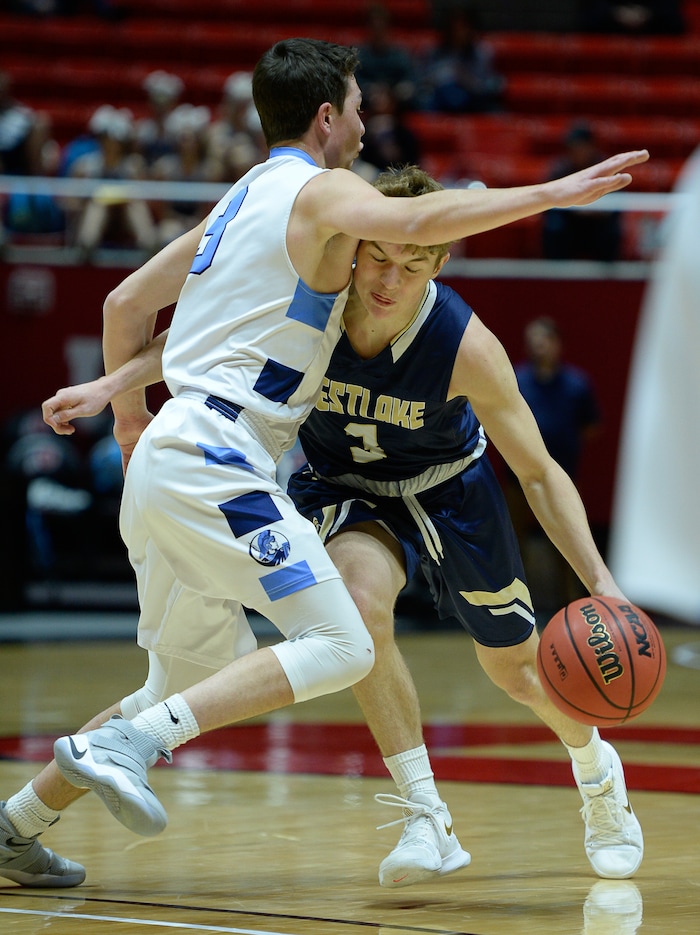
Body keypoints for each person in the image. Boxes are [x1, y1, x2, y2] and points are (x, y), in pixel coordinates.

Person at [0, 36, 648, 888]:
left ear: (439, 271)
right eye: (381, 253)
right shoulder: (328, 220)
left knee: (509, 667)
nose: (390, 274)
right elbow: (408, 220)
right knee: (349, 633)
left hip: (422, 482)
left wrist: (122, 403)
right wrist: (555, 192)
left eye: (415, 262)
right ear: (328, 117)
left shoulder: (428, 320)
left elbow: (148, 309)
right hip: (265, 466)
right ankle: (422, 813)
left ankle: (18, 825)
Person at [508, 316, 601, 611]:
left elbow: (591, 427)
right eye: (532, 340)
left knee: (567, 543)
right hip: (516, 479)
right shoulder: (516, 379)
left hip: (563, 477)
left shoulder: (576, 384)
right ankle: (518, 609)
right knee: (513, 544)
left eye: (543, 340)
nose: (537, 346)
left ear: (556, 344)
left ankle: (572, 606)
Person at [541, 122, 622, 262]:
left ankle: (608, 277)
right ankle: (556, 273)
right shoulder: (560, 169)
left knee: (612, 231)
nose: (578, 152)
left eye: (581, 147)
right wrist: (577, 208)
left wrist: (596, 210)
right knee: (553, 226)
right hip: (571, 221)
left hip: (599, 223)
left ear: (591, 147)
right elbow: (548, 199)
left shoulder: (606, 168)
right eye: (574, 148)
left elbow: (616, 201)